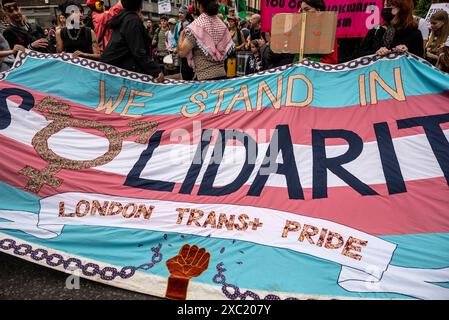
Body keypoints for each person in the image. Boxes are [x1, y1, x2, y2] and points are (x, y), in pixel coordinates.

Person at [100, 0, 163, 81]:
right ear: (140, 5)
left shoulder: (125, 18)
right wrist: (156, 70)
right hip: (118, 72)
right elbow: (138, 51)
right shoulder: (132, 21)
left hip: (112, 69)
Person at [177, 0, 234, 81]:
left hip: (205, 78)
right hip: (222, 75)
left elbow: (182, 52)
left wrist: (181, 35)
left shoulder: (197, 26)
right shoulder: (221, 24)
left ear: (199, 5)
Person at [174, 5, 194, 80]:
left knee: (187, 74)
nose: (179, 14)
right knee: (183, 73)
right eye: (179, 12)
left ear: (186, 14)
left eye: (182, 13)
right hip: (181, 53)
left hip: (188, 54)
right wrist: (176, 47)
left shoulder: (189, 25)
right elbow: (176, 38)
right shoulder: (177, 25)